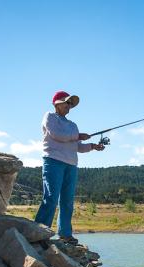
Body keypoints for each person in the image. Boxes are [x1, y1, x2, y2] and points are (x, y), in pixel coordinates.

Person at [34, 91, 105, 244]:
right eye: (67, 102)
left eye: (71, 104)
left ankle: (65, 234)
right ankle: (38, 232)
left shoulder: (73, 125)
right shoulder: (49, 117)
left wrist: (93, 146)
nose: (69, 106)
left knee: (67, 201)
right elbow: (57, 134)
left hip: (71, 165)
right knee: (51, 198)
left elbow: (77, 146)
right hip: (53, 161)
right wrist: (78, 136)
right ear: (56, 103)